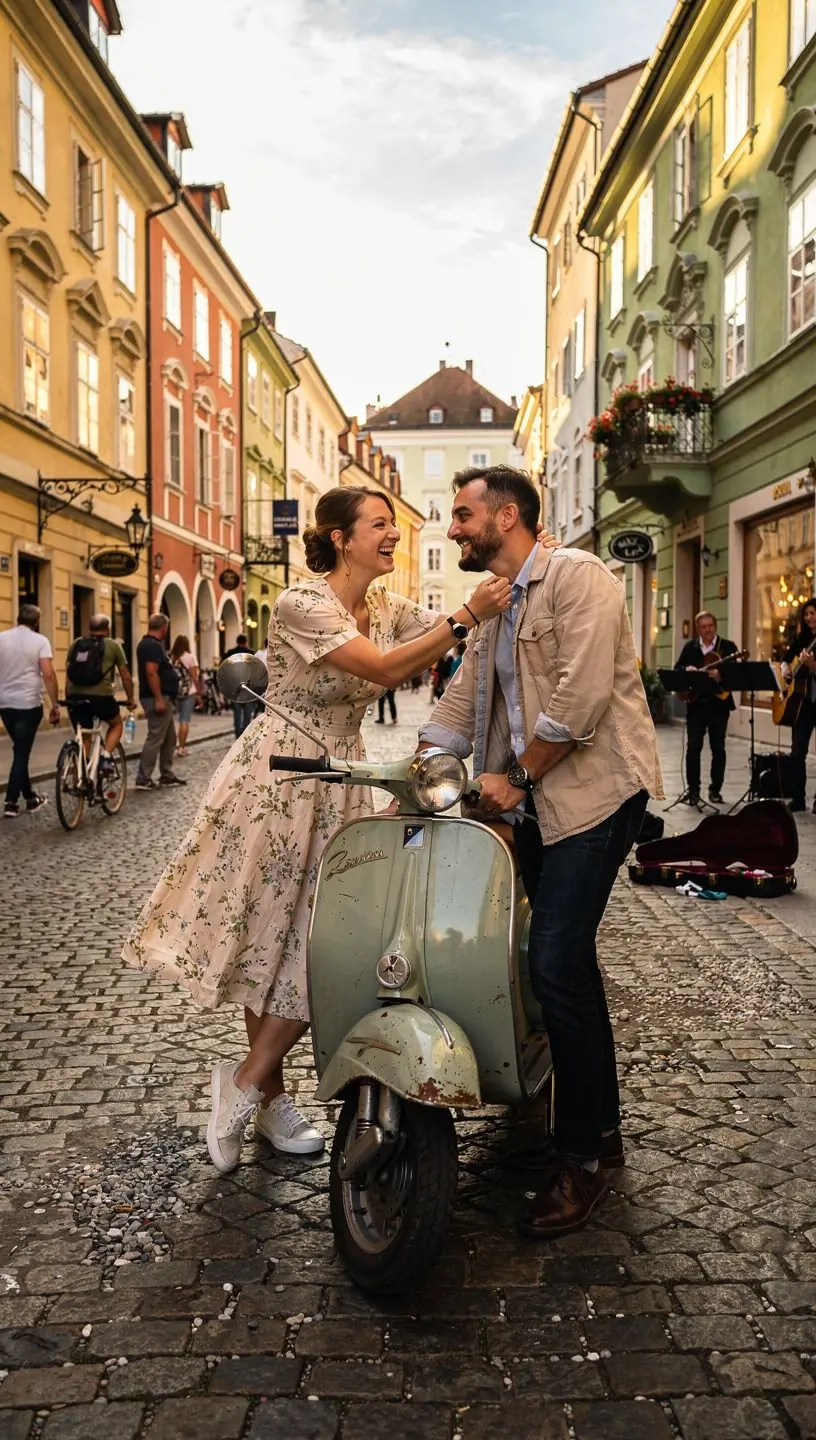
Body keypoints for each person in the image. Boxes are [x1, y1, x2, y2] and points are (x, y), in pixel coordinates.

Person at [122, 486, 510, 1174]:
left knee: (330, 941)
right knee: (273, 942)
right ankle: (262, 1096)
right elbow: (387, 667)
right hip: (280, 780)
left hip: (343, 780)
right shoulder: (303, 603)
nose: (395, 534)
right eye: (382, 524)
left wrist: (529, 569)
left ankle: (246, 1086)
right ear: (339, 537)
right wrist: (465, 615)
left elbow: (448, 634)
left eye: (394, 524)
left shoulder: (388, 605)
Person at [418, 464, 662, 1238]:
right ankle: (600, 1134)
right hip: (535, 802)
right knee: (555, 966)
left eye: (462, 515)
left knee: (556, 961)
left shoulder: (578, 577)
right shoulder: (496, 607)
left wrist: (519, 778)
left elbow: (580, 699)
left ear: (509, 515)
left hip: (593, 795)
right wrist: (416, 769)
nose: (452, 527)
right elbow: (458, 707)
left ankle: (581, 1162)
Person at [0, 603, 59, 817]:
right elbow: (48, 674)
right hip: (28, 704)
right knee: (22, 752)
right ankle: (11, 802)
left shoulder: (1, 638)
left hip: (5, 704)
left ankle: (31, 798)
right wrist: (55, 703)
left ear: (17, 618)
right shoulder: (41, 641)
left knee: (19, 750)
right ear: (36, 622)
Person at [676, 611, 738, 805]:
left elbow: (736, 672)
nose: (707, 630)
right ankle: (694, 791)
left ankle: (715, 790)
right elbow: (678, 668)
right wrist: (686, 671)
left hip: (719, 704)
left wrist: (722, 676)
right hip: (696, 704)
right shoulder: (690, 648)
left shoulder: (727, 647)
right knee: (693, 748)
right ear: (698, 629)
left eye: (710, 625)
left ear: (715, 626)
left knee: (718, 748)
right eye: (703, 627)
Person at [66, 615, 136, 772]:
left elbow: (69, 674)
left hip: (75, 697)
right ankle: (105, 756)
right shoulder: (113, 645)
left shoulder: (76, 644)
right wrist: (131, 699)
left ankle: (81, 778)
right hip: (101, 697)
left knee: (85, 737)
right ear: (107, 629)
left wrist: (69, 697)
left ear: (89, 628)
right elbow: (125, 676)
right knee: (117, 724)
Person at [135, 615, 186, 791]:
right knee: (155, 737)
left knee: (170, 738)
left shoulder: (151, 644)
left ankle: (167, 774)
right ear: (164, 627)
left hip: (163, 697)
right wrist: (158, 698)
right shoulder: (151, 645)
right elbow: (151, 673)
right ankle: (143, 778)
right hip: (157, 697)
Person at [783, 597, 816, 813]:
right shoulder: (802, 639)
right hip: (802, 704)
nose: (809, 617)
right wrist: (786, 670)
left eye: (813, 613)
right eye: (806, 614)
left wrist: (812, 665)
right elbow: (785, 659)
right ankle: (798, 798)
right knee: (797, 752)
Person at [169, 635, 200, 757]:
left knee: (173, 720)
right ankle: (181, 748)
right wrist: (199, 693)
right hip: (189, 691)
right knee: (184, 720)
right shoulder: (190, 657)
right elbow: (194, 676)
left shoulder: (172, 658)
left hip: (175, 692)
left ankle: (172, 747)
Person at [223, 634, 256, 738]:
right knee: (247, 713)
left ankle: (238, 734)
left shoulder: (230, 653)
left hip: (235, 687)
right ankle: (244, 733)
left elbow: (224, 669)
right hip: (248, 687)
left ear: (237, 642)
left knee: (237, 713)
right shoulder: (252, 653)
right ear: (245, 642)